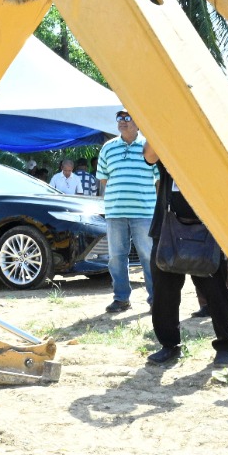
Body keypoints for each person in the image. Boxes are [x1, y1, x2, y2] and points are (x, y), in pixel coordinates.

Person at [143, 143, 228, 367]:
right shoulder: (166, 140)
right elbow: (149, 156)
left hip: (207, 229)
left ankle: (225, 346)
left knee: (215, 291)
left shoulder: (210, 144)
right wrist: (159, 128)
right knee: (164, 293)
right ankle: (169, 345)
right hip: (168, 229)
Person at [95, 111, 158, 312]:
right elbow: (103, 178)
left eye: (128, 117)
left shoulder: (149, 146)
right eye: (120, 118)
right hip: (115, 212)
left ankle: (156, 300)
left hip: (144, 212)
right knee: (116, 257)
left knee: (148, 256)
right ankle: (121, 299)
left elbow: (158, 180)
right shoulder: (108, 147)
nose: (122, 121)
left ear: (139, 123)